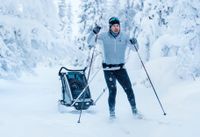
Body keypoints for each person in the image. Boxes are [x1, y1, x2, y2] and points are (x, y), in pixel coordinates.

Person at [87, 17, 140, 118]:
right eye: (114, 26)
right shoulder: (103, 37)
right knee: (113, 91)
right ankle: (112, 114)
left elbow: (135, 49)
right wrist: (93, 32)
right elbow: (90, 42)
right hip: (108, 69)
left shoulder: (124, 37)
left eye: (118, 26)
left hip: (120, 68)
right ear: (110, 27)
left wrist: (135, 42)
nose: (116, 28)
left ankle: (135, 111)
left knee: (129, 89)